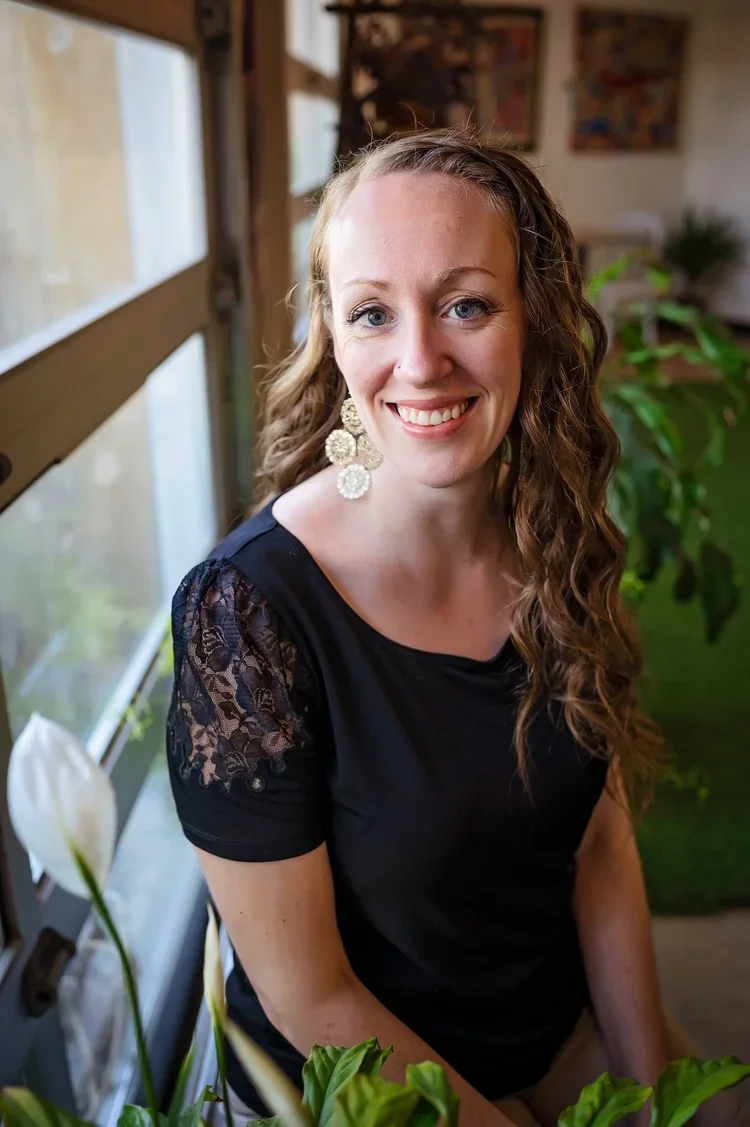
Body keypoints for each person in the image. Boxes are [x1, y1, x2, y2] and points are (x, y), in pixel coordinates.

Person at [166, 130, 744, 1126]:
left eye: (466, 303)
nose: (421, 361)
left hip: (551, 1031)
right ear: (336, 343)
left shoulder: (554, 533)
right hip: (357, 1087)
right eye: (373, 313)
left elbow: (598, 841)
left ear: (534, 318)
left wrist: (651, 1087)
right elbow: (312, 996)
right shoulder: (247, 615)